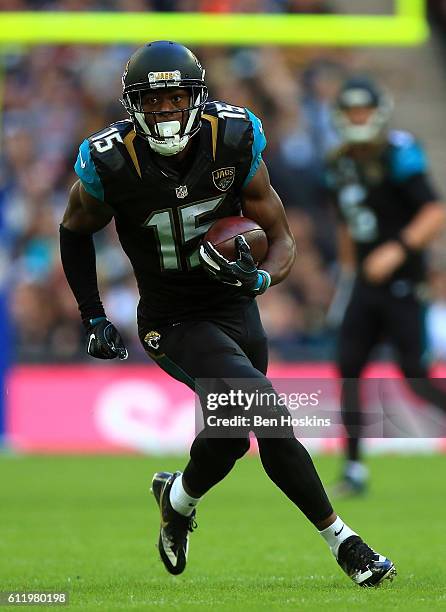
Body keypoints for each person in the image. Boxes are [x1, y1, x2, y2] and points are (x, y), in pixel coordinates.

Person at [60, 41, 395, 586]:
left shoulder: (232, 138)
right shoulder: (112, 159)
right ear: (132, 106)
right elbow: (73, 231)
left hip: (235, 307)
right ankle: (346, 544)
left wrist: (262, 279)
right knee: (266, 410)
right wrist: (93, 315)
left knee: (232, 437)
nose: (165, 112)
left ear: (196, 98)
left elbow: (283, 238)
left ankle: (175, 499)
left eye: (175, 99)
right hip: (171, 318)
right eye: (153, 102)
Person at [326, 76, 446, 496]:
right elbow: (345, 223)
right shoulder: (338, 161)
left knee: (415, 376)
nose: (358, 118)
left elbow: (433, 211)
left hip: (402, 284)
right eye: (351, 111)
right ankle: (354, 467)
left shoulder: (399, 152)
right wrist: (346, 273)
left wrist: (395, 250)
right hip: (363, 285)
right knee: (348, 368)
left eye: (363, 109)